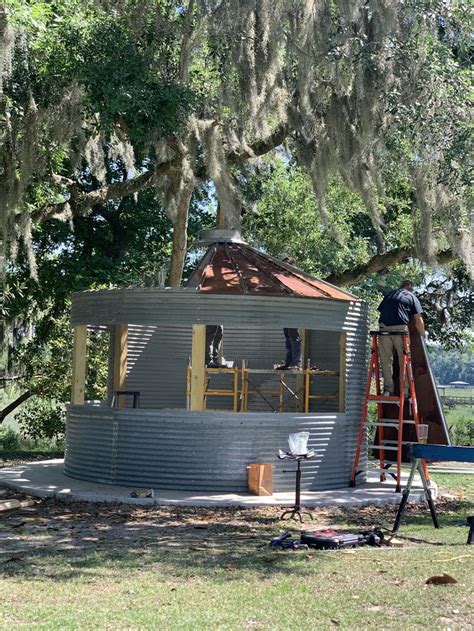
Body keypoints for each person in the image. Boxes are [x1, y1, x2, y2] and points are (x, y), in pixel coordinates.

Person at [377, 279, 425, 396]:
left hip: (384, 329)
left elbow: (382, 311)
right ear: (411, 288)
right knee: (404, 360)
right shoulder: (412, 297)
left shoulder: (390, 294)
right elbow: (418, 320)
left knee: (385, 360)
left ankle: (388, 389)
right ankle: (405, 390)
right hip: (400, 330)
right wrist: (423, 335)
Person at [275, 253, 302, 370]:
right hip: (286, 308)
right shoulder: (283, 274)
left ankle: (296, 363)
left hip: (294, 308)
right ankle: (289, 362)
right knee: (288, 336)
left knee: (293, 336)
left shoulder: (293, 273)